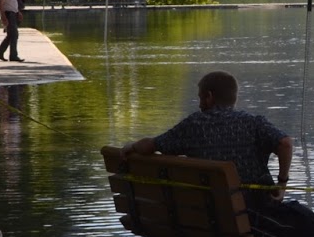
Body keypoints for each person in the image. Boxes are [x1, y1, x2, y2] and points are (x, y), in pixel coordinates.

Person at [124, 71, 292, 205]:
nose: (199, 104)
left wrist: (132, 146)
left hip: (209, 215)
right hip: (257, 214)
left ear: (209, 97)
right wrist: (282, 183)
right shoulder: (254, 123)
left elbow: (150, 145)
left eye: (200, 97)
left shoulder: (192, 125)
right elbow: (285, 144)